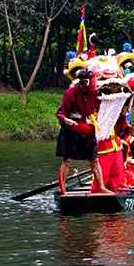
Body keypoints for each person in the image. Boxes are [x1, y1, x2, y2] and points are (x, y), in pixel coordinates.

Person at [54, 65, 109, 194]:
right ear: (84, 83)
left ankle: (101, 187)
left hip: (87, 128)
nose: (94, 86)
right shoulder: (71, 93)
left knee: (94, 160)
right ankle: (62, 190)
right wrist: (66, 120)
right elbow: (61, 112)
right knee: (67, 160)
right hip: (71, 130)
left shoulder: (95, 93)